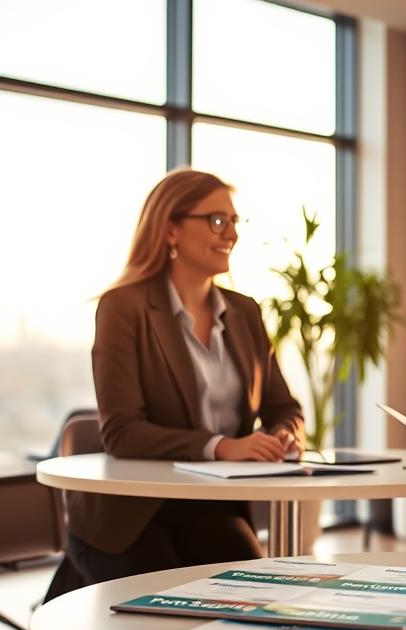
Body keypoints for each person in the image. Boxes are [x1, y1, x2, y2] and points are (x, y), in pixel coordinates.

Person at [67, 167, 305, 586]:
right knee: (166, 613)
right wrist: (221, 447)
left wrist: (285, 433)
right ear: (171, 230)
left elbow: (283, 405)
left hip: (211, 507)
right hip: (133, 515)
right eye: (216, 220)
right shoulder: (124, 307)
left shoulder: (244, 311)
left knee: (257, 597)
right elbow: (122, 432)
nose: (230, 232)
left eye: (234, 222)